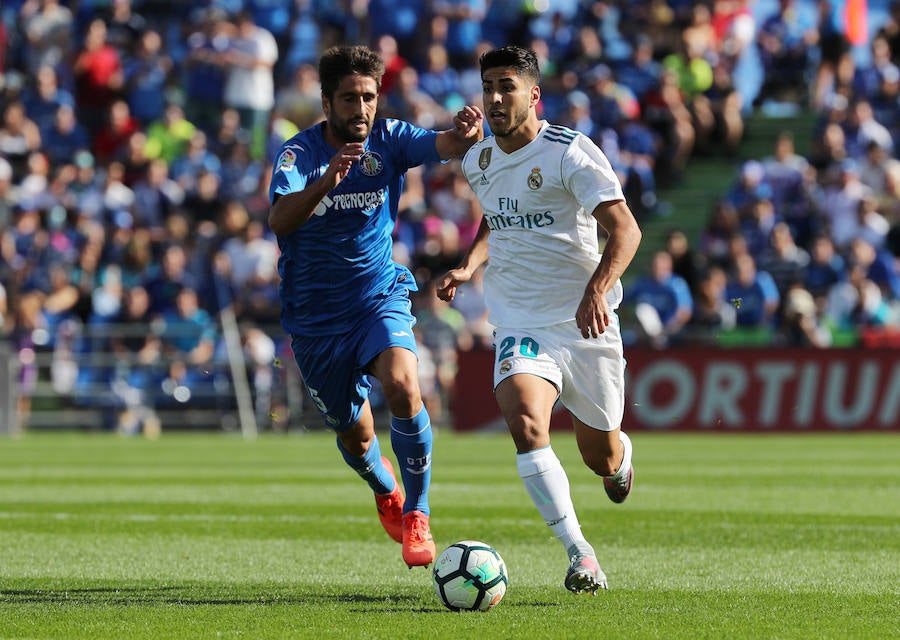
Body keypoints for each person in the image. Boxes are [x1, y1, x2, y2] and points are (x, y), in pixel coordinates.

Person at [267, 45, 484, 568]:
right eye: (349, 98)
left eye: (368, 96)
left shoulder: (389, 139)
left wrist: (466, 131)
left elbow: (446, 143)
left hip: (376, 298)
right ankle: (385, 488)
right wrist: (326, 183)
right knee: (355, 432)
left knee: (405, 384)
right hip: (317, 321)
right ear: (326, 102)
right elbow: (279, 221)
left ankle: (418, 512)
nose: (361, 108)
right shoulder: (298, 157)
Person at [436, 46, 642, 594]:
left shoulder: (569, 152)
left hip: (584, 323)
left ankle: (620, 459)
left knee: (600, 455)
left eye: (507, 86)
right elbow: (496, 220)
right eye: (488, 87)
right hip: (519, 320)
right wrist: (468, 265)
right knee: (526, 421)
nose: (495, 97)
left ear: (533, 95)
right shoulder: (477, 159)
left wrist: (598, 289)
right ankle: (581, 555)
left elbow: (626, 231)